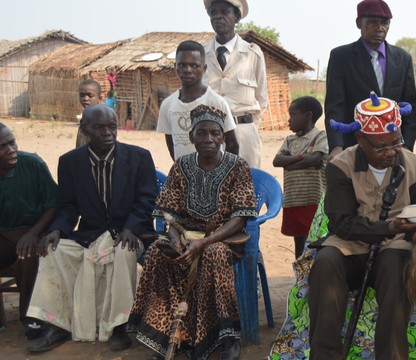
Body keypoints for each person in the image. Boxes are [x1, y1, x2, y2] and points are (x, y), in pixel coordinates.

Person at [129, 104, 257, 360]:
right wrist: (177, 240)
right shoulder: (182, 166)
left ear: (223, 137)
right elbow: (168, 211)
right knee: (158, 254)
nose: (208, 139)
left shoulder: (237, 166)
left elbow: (241, 215)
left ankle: (227, 336)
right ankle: (170, 336)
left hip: (224, 237)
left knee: (214, 256)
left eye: (215, 133)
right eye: (202, 133)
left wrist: (205, 241)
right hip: (186, 236)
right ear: (192, 137)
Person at [26, 104, 157, 353]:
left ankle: (119, 326)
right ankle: (57, 325)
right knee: (54, 251)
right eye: (99, 128)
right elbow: (67, 207)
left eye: (111, 126)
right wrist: (56, 230)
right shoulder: (70, 162)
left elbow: (147, 201)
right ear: (85, 129)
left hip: (129, 232)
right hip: (89, 234)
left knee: (123, 251)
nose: (108, 132)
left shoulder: (139, 157)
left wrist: (131, 228)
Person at [308, 93, 416, 359]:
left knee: (394, 264)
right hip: (350, 244)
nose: (390, 152)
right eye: (380, 146)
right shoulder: (340, 167)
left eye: (395, 142)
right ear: (360, 139)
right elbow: (342, 224)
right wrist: (389, 227)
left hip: (394, 246)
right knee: (326, 263)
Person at [324, 0, 416, 158]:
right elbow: (335, 106)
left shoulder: (403, 58)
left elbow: (412, 108)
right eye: (372, 22)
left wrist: (407, 146)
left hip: (393, 148)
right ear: (358, 23)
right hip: (355, 147)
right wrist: (336, 146)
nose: (380, 28)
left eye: (385, 23)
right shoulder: (341, 57)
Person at [0, 123, 57, 337]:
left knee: (29, 254)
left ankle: (31, 318)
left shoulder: (32, 164)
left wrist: (33, 233)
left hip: (34, 229)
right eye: (2, 146)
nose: (11, 149)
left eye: (12, 142)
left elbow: (53, 204)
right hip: (3, 235)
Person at [203, 0, 268, 168]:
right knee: (212, 188)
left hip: (244, 134)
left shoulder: (253, 54)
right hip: (209, 136)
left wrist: (249, 129)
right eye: (213, 12)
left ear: (237, 17)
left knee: (245, 188)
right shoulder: (201, 54)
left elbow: (262, 99)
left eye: (224, 12)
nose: (218, 16)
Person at [158, 40, 238, 161]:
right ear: (175, 67)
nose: (188, 70)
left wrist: (223, 173)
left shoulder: (216, 102)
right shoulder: (168, 105)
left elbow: (232, 144)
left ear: (204, 68)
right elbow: (171, 144)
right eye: (182, 65)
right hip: (184, 175)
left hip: (213, 174)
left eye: (194, 66)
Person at [273, 96, 328, 259]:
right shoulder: (289, 140)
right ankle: (300, 281)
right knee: (299, 243)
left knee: (315, 241)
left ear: (308, 115)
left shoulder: (320, 136)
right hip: (294, 199)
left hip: (313, 200)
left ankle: (313, 280)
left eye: (293, 115)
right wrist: (301, 159)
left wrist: (290, 163)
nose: (289, 120)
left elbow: (315, 158)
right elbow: (277, 161)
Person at [75, 79, 103, 148]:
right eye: (82, 95)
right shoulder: (85, 118)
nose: (85, 99)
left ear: (99, 98)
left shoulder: (101, 120)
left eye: (90, 95)